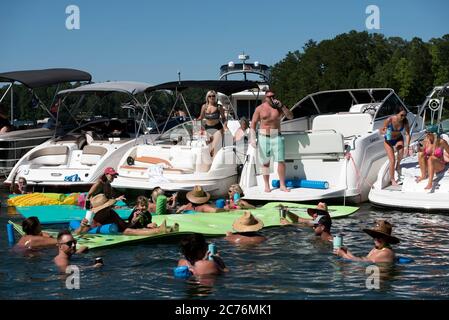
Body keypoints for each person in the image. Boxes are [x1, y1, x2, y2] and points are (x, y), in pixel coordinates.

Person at [250, 90, 293, 193]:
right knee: (265, 162)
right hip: (264, 135)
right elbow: (253, 123)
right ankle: (266, 185)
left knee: (281, 161)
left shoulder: (279, 107)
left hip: (276, 134)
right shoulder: (259, 109)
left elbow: (290, 116)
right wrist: (252, 138)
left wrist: (282, 106)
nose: (272, 98)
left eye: (273, 96)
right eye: (269, 97)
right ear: (266, 97)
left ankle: (282, 185)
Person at [334, 220, 399, 264]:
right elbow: (363, 259)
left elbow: (363, 262)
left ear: (387, 238)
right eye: (375, 236)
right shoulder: (377, 248)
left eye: (380, 236)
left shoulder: (385, 253)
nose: (376, 239)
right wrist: (347, 252)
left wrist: (343, 254)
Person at [381, 106, 411, 186]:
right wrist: (385, 131)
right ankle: (392, 179)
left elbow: (407, 134)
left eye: (405, 115)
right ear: (396, 114)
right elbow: (381, 130)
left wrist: (407, 147)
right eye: (401, 115)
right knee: (392, 160)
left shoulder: (405, 121)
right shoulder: (389, 120)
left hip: (398, 138)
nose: (403, 117)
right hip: (388, 141)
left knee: (401, 154)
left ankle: (398, 165)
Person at [415, 125, 449, 190]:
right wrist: (419, 148)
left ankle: (430, 183)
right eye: (426, 132)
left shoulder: (442, 142)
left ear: (434, 133)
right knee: (420, 154)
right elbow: (423, 152)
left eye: (428, 133)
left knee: (431, 158)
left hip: (439, 165)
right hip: (429, 165)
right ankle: (423, 175)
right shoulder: (426, 140)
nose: (426, 134)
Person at [197, 90, 228, 156]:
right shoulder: (204, 107)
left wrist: (225, 126)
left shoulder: (219, 107)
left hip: (218, 128)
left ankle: (214, 164)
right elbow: (201, 117)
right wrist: (195, 121)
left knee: (214, 147)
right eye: (210, 96)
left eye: (213, 96)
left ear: (215, 97)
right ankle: (212, 163)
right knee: (209, 147)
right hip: (207, 128)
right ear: (207, 97)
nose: (211, 97)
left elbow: (223, 118)